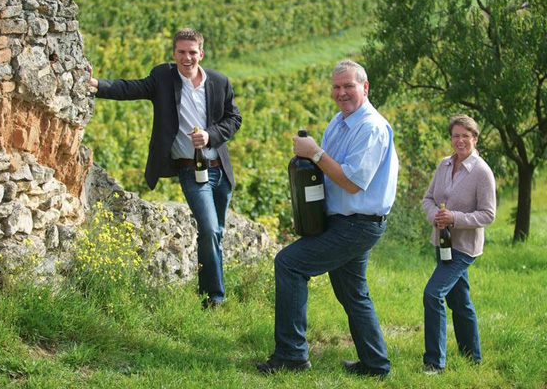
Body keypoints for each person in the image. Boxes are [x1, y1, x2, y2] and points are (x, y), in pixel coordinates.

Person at [256, 59, 399, 378]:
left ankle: (291, 355)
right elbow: (324, 172)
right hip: (342, 222)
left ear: (365, 87)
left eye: (348, 86)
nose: (341, 92)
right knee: (353, 293)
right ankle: (375, 366)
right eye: (336, 87)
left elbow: (352, 181)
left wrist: (314, 153)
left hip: (359, 225)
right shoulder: (338, 121)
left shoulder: (371, 127)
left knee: (289, 263)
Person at [87, 28, 242, 309]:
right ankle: (215, 298)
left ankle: (208, 292)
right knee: (208, 229)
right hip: (190, 170)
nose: (187, 57)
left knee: (216, 232)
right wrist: (96, 84)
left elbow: (234, 118)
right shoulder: (162, 77)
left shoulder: (219, 82)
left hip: (220, 169)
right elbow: (131, 88)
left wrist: (210, 135)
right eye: (181, 52)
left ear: (201, 54)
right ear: (174, 54)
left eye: (192, 52)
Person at [421, 114, 496, 374]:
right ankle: (472, 356)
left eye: (466, 136)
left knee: (433, 294)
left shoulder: (482, 172)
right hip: (442, 242)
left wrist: (455, 218)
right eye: (456, 135)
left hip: (464, 247)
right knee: (460, 300)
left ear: (475, 138)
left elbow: (488, 214)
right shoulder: (443, 165)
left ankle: (434, 362)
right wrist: (436, 217)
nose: (460, 140)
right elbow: (428, 199)